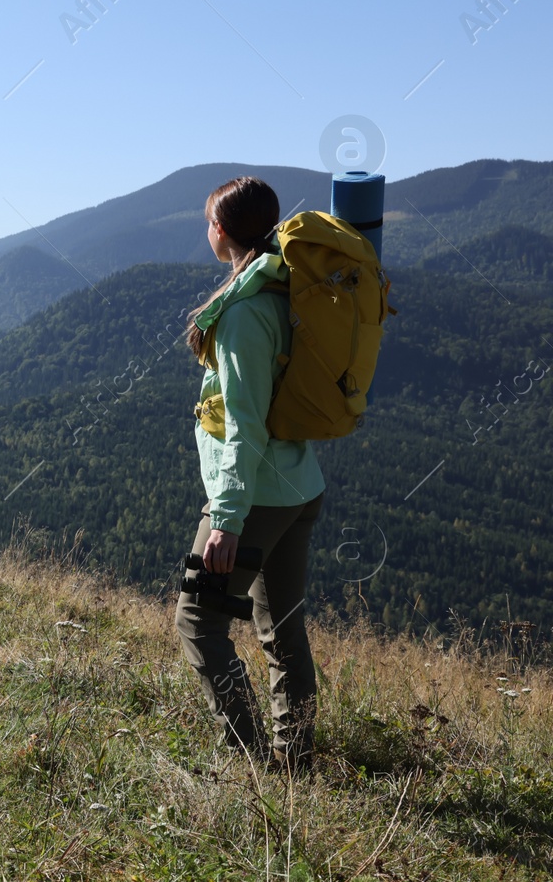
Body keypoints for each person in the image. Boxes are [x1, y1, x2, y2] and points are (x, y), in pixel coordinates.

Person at [174, 176, 326, 772]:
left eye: (208, 220)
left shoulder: (243, 316)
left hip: (255, 499)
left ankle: (249, 759)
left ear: (221, 231)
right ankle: (295, 761)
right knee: (282, 631)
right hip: (299, 487)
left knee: (198, 622)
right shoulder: (290, 289)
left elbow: (244, 426)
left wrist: (228, 520)